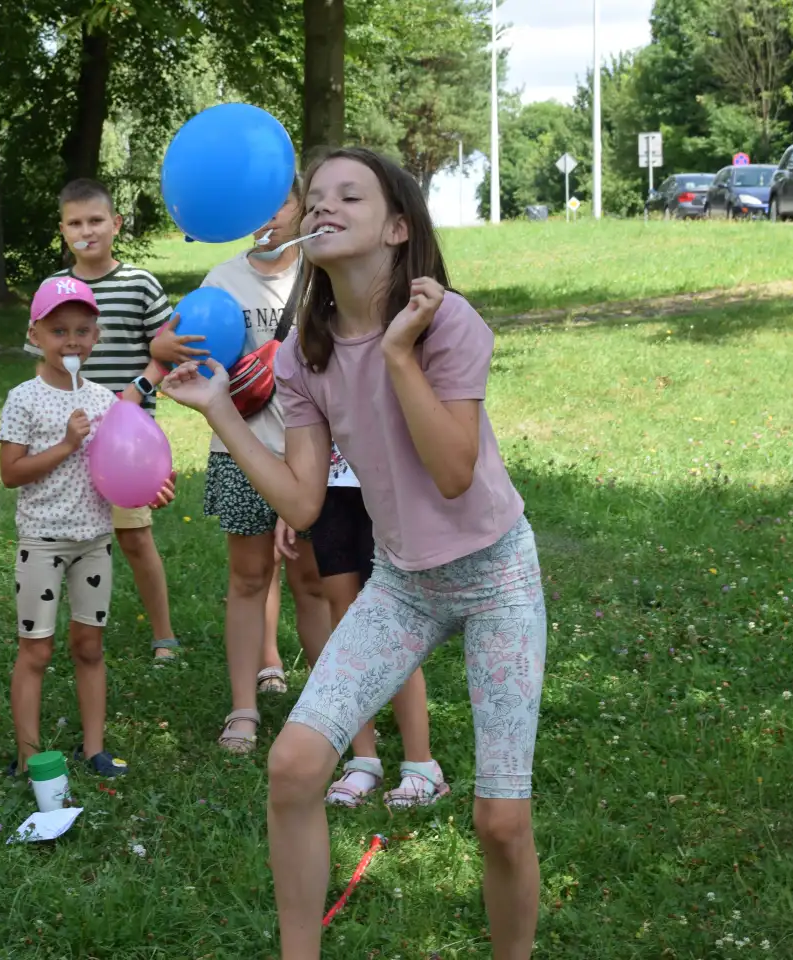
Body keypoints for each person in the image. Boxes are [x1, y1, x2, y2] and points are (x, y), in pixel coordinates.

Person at [160, 147, 546, 960]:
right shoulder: (307, 351)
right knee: (294, 767)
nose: (325, 205)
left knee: (501, 821)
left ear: (398, 229)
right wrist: (219, 409)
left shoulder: (450, 323)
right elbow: (302, 501)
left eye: (351, 195)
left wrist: (400, 351)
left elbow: (451, 473)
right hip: (404, 584)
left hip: (495, 575)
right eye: (319, 196)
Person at [159, 178, 333, 753]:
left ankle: (328, 708)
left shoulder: (323, 275)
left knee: (312, 581)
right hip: (239, 452)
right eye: (254, 206)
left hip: (312, 455)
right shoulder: (222, 279)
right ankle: (243, 709)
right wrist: (171, 352)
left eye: (280, 203)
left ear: (302, 207)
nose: (268, 218)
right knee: (248, 579)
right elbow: (173, 347)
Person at [0, 276, 176, 778]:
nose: (71, 341)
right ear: (36, 334)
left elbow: (127, 464)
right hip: (41, 543)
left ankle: (94, 747)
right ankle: (29, 754)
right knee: (36, 648)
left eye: (82, 330)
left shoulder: (106, 402)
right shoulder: (23, 399)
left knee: (90, 646)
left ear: (96, 337)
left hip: (94, 542)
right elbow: (11, 472)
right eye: (59, 331)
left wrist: (154, 485)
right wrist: (63, 446)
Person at [26, 178, 181, 661]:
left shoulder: (140, 285)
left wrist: (134, 395)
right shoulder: (53, 290)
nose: (86, 231)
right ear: (62, 230)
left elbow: (167, 353)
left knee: (134, 538)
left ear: (115, 224)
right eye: (75, 223)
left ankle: (164, 635)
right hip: (69, 437)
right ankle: (68, 631)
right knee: (66, 539)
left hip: (125, 445)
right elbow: (40, 362)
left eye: (96, 220)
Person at [276, 445, 445, 808]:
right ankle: (363, 759)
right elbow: (307, 423)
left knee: (396, 619)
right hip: (329, 485)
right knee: (344, 613)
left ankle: (421, 764)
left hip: (389, 484)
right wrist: (292, 498)